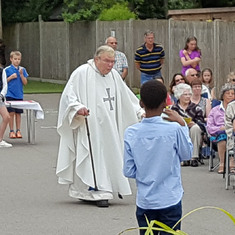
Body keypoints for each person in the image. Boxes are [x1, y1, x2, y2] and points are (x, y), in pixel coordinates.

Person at [56, 45, 144, 207]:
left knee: (109, 155)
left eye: (113, 61)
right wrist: (77, 108)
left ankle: (107, 187)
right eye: (107, 61)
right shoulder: (82, 73)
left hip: (110, 127)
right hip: (90, 126)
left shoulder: (114, 76)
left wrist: (139, 111)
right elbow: (69, 96)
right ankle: (95, 190)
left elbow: (127, 98)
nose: (110, 65)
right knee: (92, 155)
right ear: (97, 59)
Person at [123, 80, 193, 235]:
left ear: (141, 103)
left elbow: (128, 170)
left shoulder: (131, 133)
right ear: (165, 104)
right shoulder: (174, 129)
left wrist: (145, 171)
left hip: (146, 199)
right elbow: (187, 154)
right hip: (170, 197)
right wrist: (182, 124)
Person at [171, 83, 205, 167]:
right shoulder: (173, 109)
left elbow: (201, 123)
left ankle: (193, 158)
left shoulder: (196, 108)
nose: (187, 96)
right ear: (179, 95)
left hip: (192, 130)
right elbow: (169, 122)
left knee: (196, 128)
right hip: (178, 130)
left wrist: (194, 123)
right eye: (185, 94)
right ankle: (183, 158)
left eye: (189, 94)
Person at [207, 83, 235, 174]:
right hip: (218, 137)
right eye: (228, 93)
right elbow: (210, 128)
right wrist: (221, 129)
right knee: (222, 136)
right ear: (222, 95)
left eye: (233, 93)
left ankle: (232, 162)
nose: (230, 95)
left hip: (233, 134)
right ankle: (222, 164)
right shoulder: (215, 110)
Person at [5, 51, 28, 139]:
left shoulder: (22, 69)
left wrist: (21, 75)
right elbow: (4, 82)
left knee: (18, 113)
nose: (17, 61)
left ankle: (18, 130)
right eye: (15, 59)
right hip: (9, 94)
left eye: (18, 59)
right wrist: (10, 77)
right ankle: (11, 131)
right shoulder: (7, 70)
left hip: (19, 95)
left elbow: (25, 82)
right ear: (11, 59)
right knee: (11, 112)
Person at [0, 40, 12, 147]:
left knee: (6, 117)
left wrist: (2, 95)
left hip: (0, 98)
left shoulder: (1, 70)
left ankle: (0, 140)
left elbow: (4, 84)